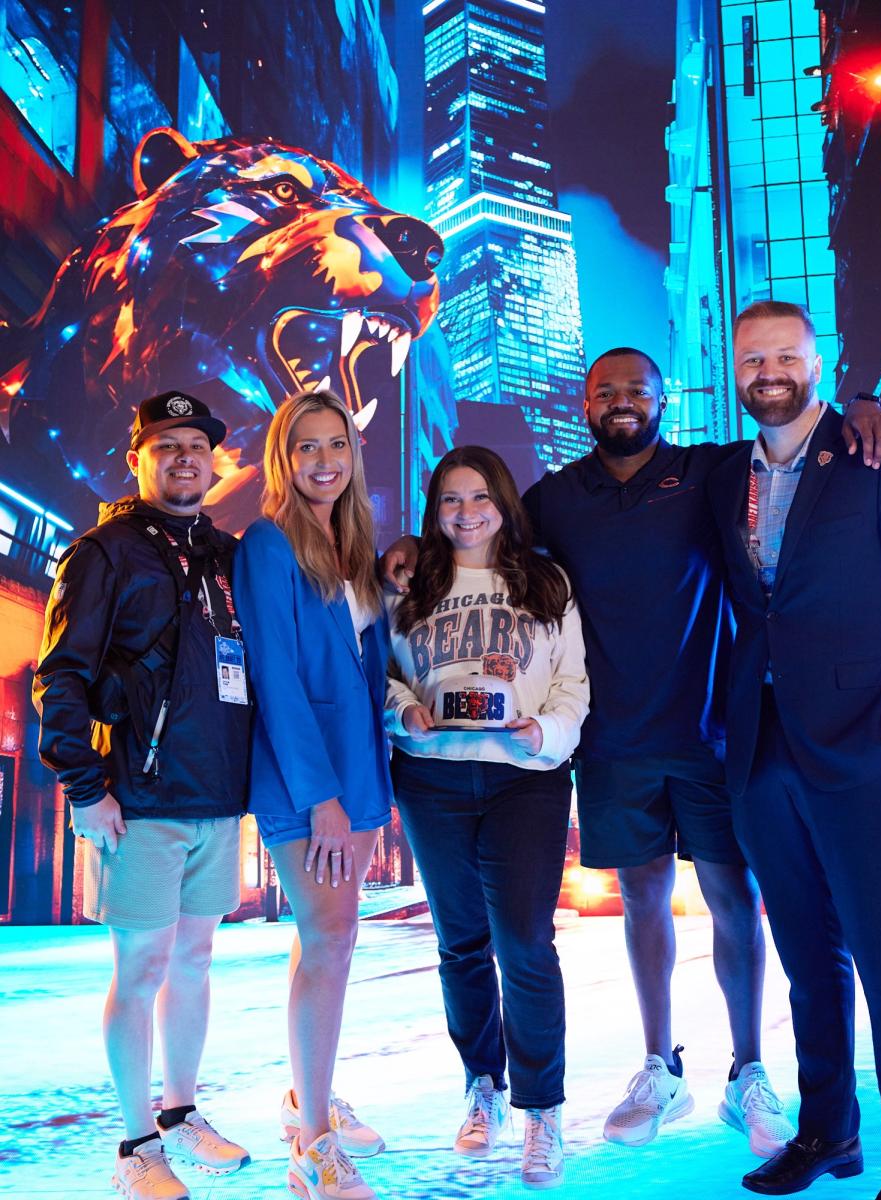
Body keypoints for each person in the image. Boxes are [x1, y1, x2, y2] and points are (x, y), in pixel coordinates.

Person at [384, 352, 881, 1159]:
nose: (622, 403)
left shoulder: (709, 472)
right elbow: (476, 536)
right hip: (614, 744)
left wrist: (861, 400)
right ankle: (660, 1069)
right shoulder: (554, 498)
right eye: (606, 393)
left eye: (637, 391)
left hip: (712, 731)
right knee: (643, 902)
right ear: (585, 405)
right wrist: (409, 550)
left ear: (665, 400)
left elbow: (791, 434)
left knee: (736, 899)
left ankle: (747, 1072)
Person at [705, 300, 881, 1200]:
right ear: (733, 370)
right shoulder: (723, 472)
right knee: (808, 956)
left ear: (820, 361)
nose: (766, 372)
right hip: (764, 748)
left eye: (784, 356)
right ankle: (828, 1132)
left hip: (865, 747)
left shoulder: (880, 455)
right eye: (751, 359)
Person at [34, 391, 252, 1200]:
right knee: (141, 969)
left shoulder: (227, 557)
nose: (185, 458)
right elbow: (61, 673)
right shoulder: (104, 551)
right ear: (138, 460)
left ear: (214, 460)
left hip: (220, 803)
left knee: (193, 962)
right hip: (141, 802)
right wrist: (84, 789)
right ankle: (134, 1147)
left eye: (197, 445)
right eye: (167, 446)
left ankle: (180, 1113)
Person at [386, 445, 589, 1190]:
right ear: (433, 511)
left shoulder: (545, 581)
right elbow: (382, 675)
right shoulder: (411, 581)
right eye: (449, 501)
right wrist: (405, 711)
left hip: (525, 780)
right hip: (433, 780)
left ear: (504, 502)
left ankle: (542, 1110)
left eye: (479, 498)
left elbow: (572, 681)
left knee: (527, 945)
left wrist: (548, 734)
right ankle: (483, 1086)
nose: (466, 513)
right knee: (461, 944)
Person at [232, 389, 393, 1200]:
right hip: (309, 782)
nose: (324, 461)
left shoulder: (355, 545)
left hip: (360, 775)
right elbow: (279, 679)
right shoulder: (267, 543)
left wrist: (366, 787)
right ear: (284, 460)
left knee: (330, 939)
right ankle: (314, 1149)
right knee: (329, 942)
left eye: (336, 445)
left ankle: (310, 1097)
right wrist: (321, 797)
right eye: (307, 448)